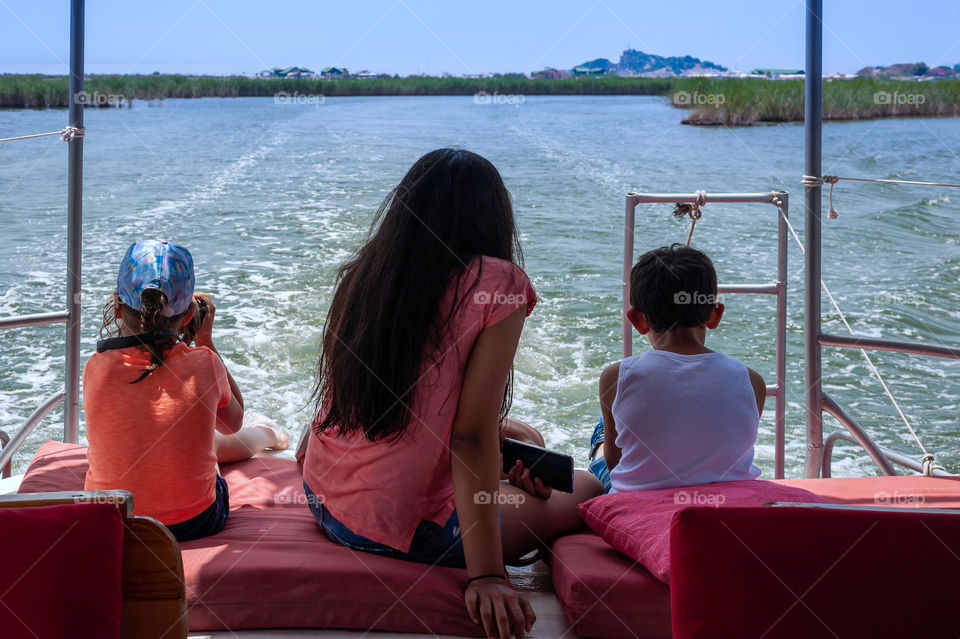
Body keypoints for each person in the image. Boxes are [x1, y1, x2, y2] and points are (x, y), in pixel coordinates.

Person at [301, 149, 602, 639]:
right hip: (399, 527)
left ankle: (506, 477)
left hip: (322, 496)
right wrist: (487, 577)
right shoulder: (499, 283)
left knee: (525, 437)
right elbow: (468, 438)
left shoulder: (369, 271)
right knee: (586, 488)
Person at [83, 239, 288, 542]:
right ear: (190, 314)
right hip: (195, 522)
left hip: (114, 521)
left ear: (116, 306)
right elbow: (232, 424)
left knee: (190, 439)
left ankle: (267, 433)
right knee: (211, 441)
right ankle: (268, 434)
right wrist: (205, 340)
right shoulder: (204, 363)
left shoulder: (95, 367)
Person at [589, 244, 765, 494]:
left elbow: (615, 463)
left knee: (602, 440)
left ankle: (597, 441)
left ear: (637, 320)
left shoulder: (616, 377)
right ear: (715, 315)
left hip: (640, 500)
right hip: (726, 502)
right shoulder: (752, 381)